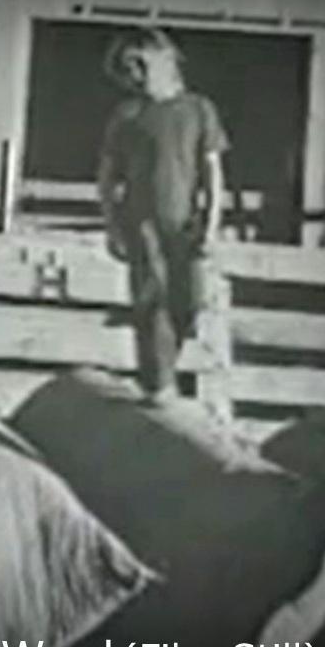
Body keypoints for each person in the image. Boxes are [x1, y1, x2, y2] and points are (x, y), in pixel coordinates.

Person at [96, 27, 229, 405]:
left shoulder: (198, 110)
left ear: (165, 60)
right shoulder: (127, 115)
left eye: (141, 63)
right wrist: (112, 226)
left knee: (189, 300)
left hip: (186, 220)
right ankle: (158, 381)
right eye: (127, 67)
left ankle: (169, 366)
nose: (136, 73)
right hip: (143, 222)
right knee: (152, 298)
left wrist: (213, 225)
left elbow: (212, 171)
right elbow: (107, 178)